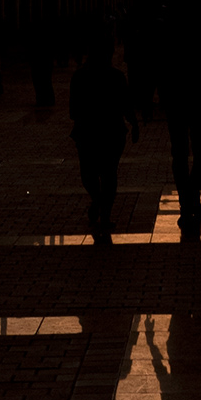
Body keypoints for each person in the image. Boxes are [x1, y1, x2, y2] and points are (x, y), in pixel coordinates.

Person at [151, 0, 201, 239]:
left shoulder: (167, 37)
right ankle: (192, 194)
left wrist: (152, 98)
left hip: (175, 102)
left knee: (179, 154)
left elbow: (157, 68)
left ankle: (187, 199)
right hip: (199, 101)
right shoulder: (200, 36)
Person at [68, 34, 133, 246]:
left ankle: (100, 206)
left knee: (89, 172)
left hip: (88, 132)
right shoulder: (116, 77)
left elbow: (73, 110)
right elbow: (125, 105)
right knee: (108, 173)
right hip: (112, 131)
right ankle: (102, 207)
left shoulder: (80, 77)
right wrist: (135, 123)